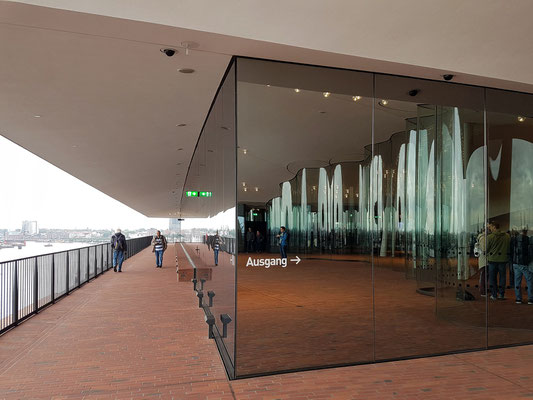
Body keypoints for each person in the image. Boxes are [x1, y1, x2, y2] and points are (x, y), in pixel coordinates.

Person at [487, 221, 511, 300]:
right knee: (502, 277)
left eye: (490, 227)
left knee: (492, 278)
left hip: (492, 260)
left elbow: (487, 249)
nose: (489, 228)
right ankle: (501, 294)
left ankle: (494, 295)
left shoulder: (490, 237)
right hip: (503, 260)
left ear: (494, 227)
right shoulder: (507, 236)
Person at [510, 228, 533, 304]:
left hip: (516, 263)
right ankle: (530, 298)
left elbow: (511, 251)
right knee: (529, 281)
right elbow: (530, 252)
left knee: (517, 281)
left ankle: (518, 298)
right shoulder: (528, 239)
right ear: (526, 232)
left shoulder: (513, 239)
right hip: (525, 263)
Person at [475, 228, 487, 297]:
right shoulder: (483, 238)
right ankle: (482, 291)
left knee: (483, 275)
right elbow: (484, 249)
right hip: (484, 259)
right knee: (483, 275)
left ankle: (483, 289)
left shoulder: (481, 237)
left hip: (483, 259)